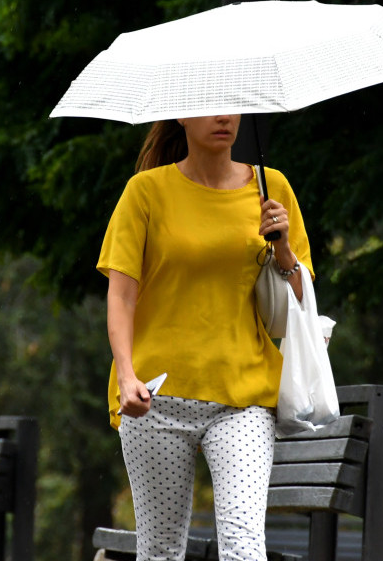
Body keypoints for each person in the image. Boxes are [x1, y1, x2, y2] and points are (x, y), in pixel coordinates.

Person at [97, 114, 314, 561]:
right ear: (181, 114)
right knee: (160, 551)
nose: (223, 117)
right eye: (211, 105)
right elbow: (121, 295)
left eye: (232, 105)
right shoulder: (146, 191)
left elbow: (301, 306)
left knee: (244, 547)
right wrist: (125, 376)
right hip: (155, 398)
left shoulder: (270, 188)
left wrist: (283, 247)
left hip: (244, 397)